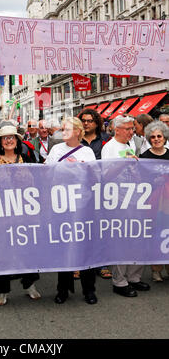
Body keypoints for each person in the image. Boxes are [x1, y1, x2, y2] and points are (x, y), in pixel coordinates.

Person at [45, 117, 98, 305]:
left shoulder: (88, 152)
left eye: (67, 129)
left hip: (82, 206)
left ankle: (89, 289)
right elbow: (46, 174)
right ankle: (63, 289)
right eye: (62, 129)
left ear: (77, 131)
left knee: (85, 249)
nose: (63, 131)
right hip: (61, 206)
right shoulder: (56, 150)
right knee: (64, 248)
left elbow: (95, 176)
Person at [0, 125, 41, 306]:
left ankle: (29, 284)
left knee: (29, 250)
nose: (9, 140)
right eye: (5, 138)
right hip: (3, 215)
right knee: (3, 251)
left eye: (12, 137)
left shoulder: (26, 157)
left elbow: (39, 178)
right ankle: (2, 290)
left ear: (17, 141)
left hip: (26, 213)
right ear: (0, 142)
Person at [101, 115, 150, 297]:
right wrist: (124, 164)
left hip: (135, 197)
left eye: (132, 128)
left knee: (137, 236)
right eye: (128, 129)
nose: (132, 131)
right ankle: (119, 281)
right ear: (117, 129)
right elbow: (106, 175)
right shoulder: (109, 148)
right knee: (121, 240)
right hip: (118, 201)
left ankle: (134, 277)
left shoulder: (130, 144)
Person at [78, 108, 112, 280]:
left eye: (90, 120)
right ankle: (79, 263)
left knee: (100, 226)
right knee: (81, 226)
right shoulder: (75, 141)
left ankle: (101, 263)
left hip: (101, 189)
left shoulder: (106, 140)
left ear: (96, 122)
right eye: (83, 120)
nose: (86, 123)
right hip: (80, 191)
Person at [139, 120, 169, 282]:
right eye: (153, 137)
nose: (156, 139)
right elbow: (141, 180)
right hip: (154, 203)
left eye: (159, 136)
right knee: (156, 235)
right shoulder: (145, 157)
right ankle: (156, 269)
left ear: (164, 137)